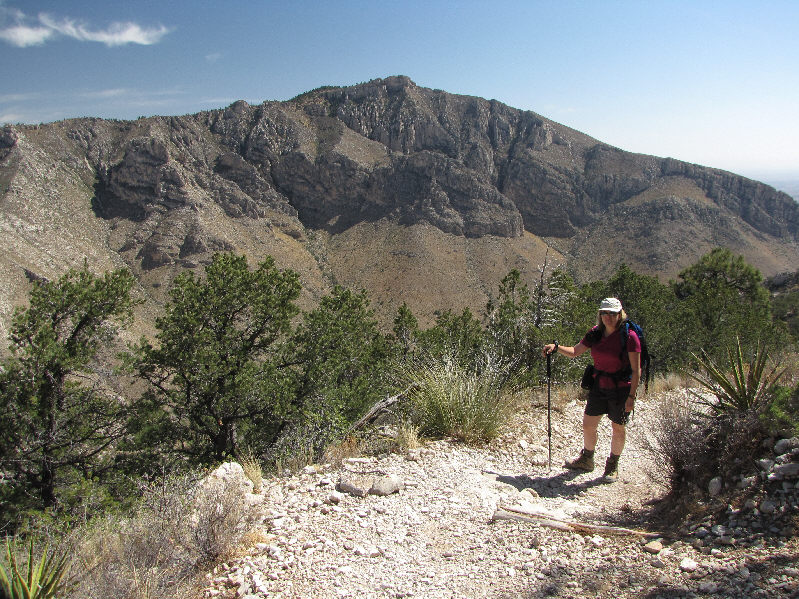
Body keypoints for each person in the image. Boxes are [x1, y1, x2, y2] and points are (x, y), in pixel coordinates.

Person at [542, 297, 641, 482]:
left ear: (620, 314)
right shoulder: (595, 333)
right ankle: (587, 459)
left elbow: (636, 370)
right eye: (605, 313)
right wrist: (556, 348)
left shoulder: (629, 337)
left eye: (612, 314)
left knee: (618, 428)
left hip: (621, 389)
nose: (608, 317)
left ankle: (612, 465)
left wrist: (632, 397)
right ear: (600, 314)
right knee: (588, 424)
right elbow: (575, 351)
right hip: (599, 385)